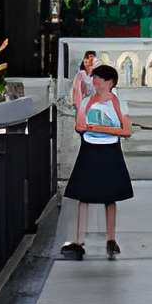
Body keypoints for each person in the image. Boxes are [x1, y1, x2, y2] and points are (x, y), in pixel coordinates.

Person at [61, 62, 133, 261]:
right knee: (83, 195)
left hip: (110, 150)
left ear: (109, 82)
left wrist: (99, 128)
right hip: (89, 150)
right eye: (94, 78)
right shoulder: (86, 102)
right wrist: (87, 127)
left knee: (110, 196)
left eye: (99, 78)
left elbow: (126, 130)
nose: (95, 81)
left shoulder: (118, 103)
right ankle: (79, 239)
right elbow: (80, 125)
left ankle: (111, 238)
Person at [69, 49, 97, 116]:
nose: (90, 61)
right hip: (82, 102)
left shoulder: (95, 75)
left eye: (92, 58)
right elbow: (76, 90)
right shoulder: (81, 74)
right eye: (87, 58)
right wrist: (79, 106)